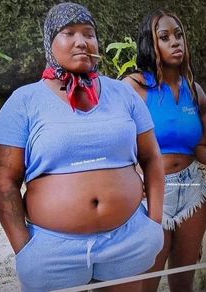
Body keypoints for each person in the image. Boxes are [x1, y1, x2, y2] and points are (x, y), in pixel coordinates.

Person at [0, 3, 164, 292]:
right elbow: (4, 181)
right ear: (49, 42)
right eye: (68, 33)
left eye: (89, 33)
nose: (81, 42)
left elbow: (151, 157)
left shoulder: (123, 93)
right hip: (52, 252)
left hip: (127, 240)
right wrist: (24, 248)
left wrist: (153, 224)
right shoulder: (23, 101)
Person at [123, 8, 206, 292]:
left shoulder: (194, 91)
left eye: (179, 35)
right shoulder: (133, 88)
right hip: (151, 192)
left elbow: (203, 145)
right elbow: (114, 142)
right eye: (165, 37)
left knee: (184, 279)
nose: (176, 42)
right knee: (147, 281)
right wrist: (131, 175)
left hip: (193, 187)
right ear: (150, 43)